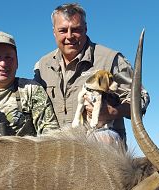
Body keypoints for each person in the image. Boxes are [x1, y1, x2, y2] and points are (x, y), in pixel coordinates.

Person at [33, 3, 150, 143]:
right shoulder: (42, 66)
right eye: (63, 30)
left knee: (103, 138)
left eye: (76, 29)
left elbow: (142, 97)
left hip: (99, 146)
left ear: (85, 29)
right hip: (59, 150)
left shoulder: (110, 59)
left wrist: (112, 112)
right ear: (54, 32)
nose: (69, 36)